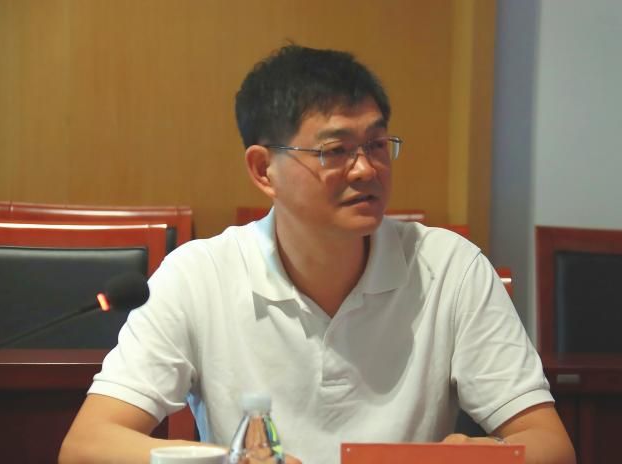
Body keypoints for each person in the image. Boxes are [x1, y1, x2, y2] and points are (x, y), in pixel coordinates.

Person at [59, 45, 575, 464]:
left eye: (377, 144)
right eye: (335, 151)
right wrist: (236, 461)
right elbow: (88, 445)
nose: (366, 169)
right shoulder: (199, 275)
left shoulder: (450, 268)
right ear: (263, 169)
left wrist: (481, 456)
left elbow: (551, 445)